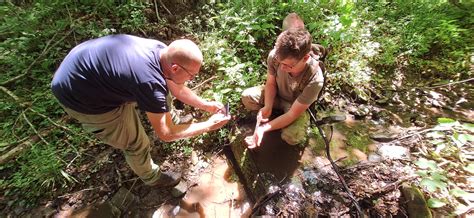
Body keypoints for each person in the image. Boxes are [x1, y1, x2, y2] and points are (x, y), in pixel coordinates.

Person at [51, 34, 231, 187]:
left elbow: (176, 87)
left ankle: (173, 119)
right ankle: (151, 177)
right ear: (175, 67)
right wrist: (208, 125)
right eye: (192, 75)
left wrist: (206, 105)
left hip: (90, 69)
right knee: (136, 142)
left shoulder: (161, 51)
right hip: (80, 95)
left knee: (162, 90)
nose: (192, 79)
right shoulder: (149, 83)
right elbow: (166, 134)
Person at [241, 16, 325, 148]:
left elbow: (292, 114)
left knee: (292, 137)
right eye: (280, 63)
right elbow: (270, 84)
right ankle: (274, 114)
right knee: (247, 97)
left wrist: (263, 128)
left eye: (288, 65)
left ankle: (279, 121)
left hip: (294, 105)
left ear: (305, 58)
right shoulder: (275, 56)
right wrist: (268, 106)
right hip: (277, 95)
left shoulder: (315, 79)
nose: (283, 68)